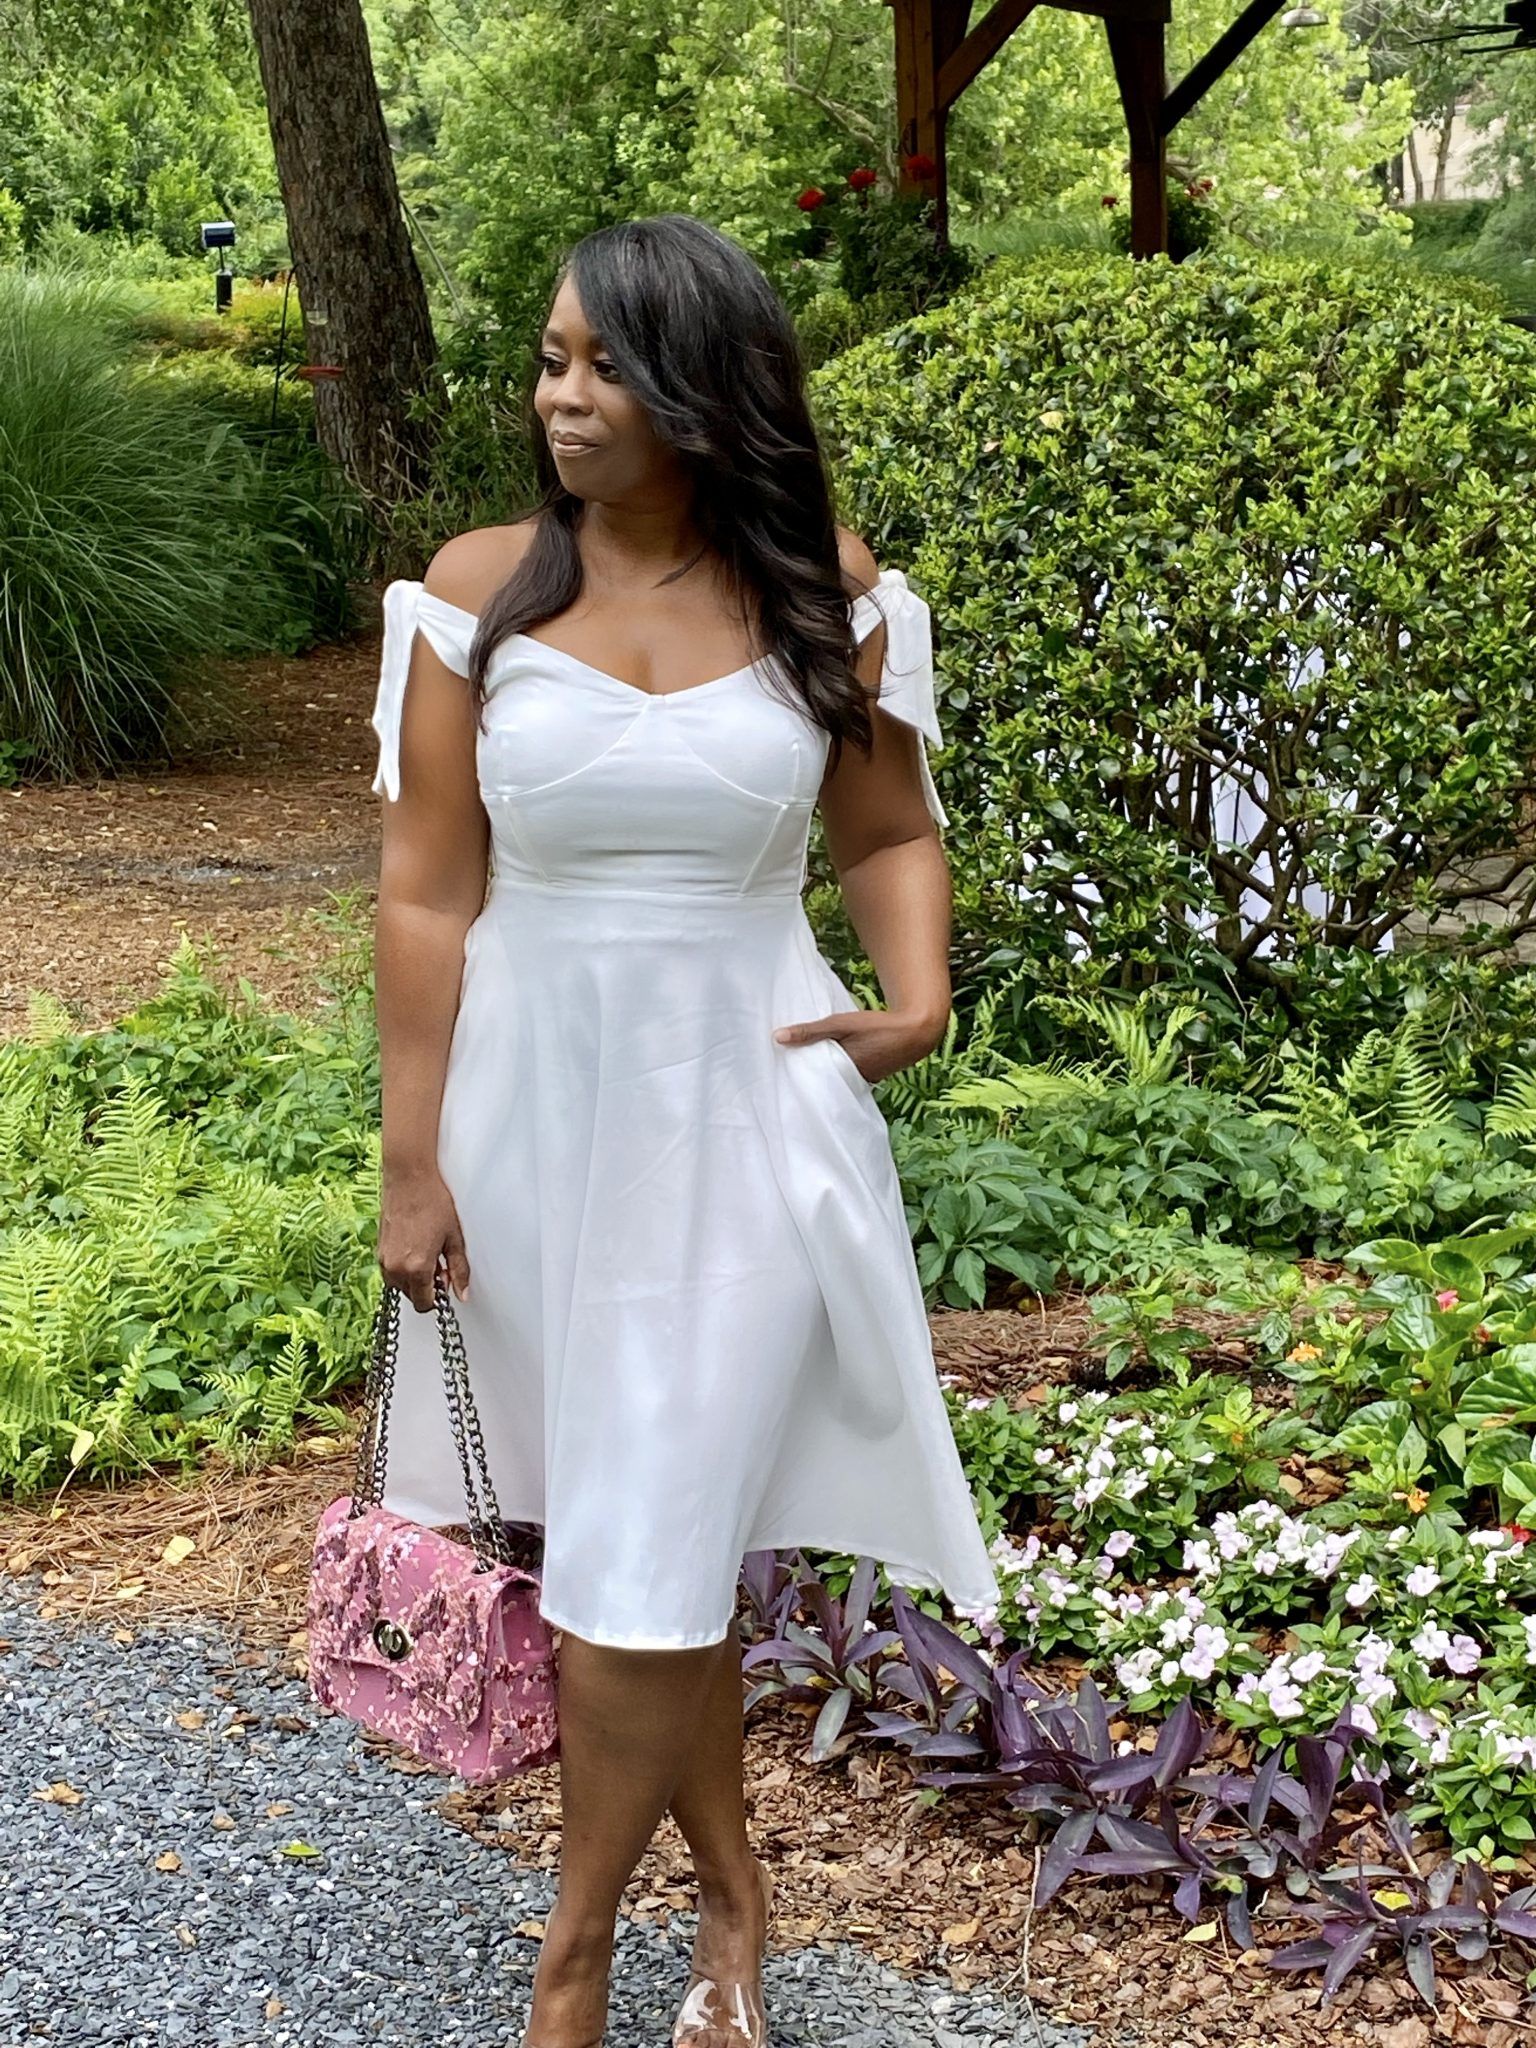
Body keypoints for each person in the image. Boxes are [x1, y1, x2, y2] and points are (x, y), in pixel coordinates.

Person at [367, 212, 1001, 2048]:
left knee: (646, 1537)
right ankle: (732, 1902)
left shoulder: (823, 589)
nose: (561, 398)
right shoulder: (477, 593)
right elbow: (426, 894)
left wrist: (921, 994)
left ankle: (570, 1962)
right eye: (551, 360)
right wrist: (411, 1161)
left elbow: (888, 829)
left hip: (748, 1114)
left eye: (605, 366)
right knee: (645, 1537)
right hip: (535, 1123)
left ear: (705, 391)